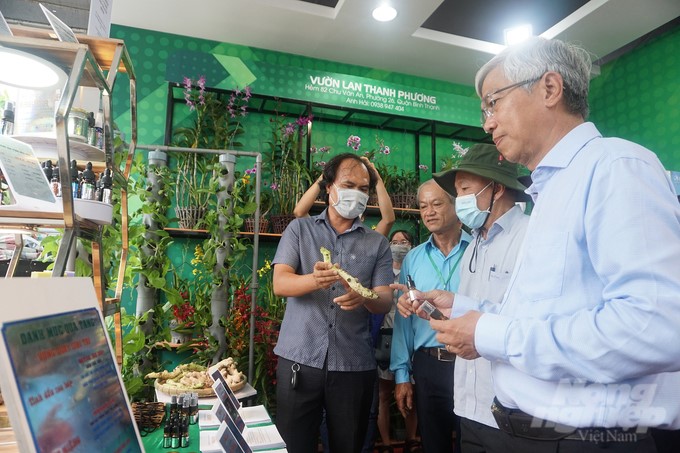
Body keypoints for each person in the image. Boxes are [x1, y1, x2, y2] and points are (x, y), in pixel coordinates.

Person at [406, 36, 680, 452]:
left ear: (549, 89)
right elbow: (549, 314)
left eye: (494, 102)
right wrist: (466, 312)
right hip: (531, 433)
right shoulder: (550, 194)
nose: (487, 123)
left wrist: (492, 335)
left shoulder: (615, 166)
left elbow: (655, 327)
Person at [272, 152, 394, 453]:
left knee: (348, 445)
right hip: (299, 359)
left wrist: (365, 296)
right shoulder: (300, 230)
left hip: (353, 365)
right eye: (349, 184)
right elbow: (280, 283)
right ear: (329, 187)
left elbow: (384, 300)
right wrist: (315, 280)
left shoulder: (376, 243)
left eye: (364, 189)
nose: (357, 194)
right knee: (294, 445)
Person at [431, 143, 530, 452]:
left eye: (464, 189)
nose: (458, 200)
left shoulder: (529, 237)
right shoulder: (474, 243)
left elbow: (528, 321)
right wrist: (446, 304)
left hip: (509, 409)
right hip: (469, 404)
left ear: (496, 188)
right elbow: (474, 307)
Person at [391, 179, 471, 453]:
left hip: (471, 361)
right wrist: (402, 375)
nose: (429, 212)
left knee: (472, 441)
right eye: (423, 206)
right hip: (429, 366)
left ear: (455, 204)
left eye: (437, 204)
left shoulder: (478, 250)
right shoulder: (413, 258)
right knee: (433, 444)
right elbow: (404, 320)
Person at [375, 229, 420, 453]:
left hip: (411, 337)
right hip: (385, 337)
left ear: (412, 245)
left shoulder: (416, 271)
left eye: (404, 241)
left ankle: (412, 439)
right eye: (394, 241)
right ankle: (385, 443)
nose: (399, 245)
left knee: (410, 390)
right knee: (383, 394)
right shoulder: (383, 273)